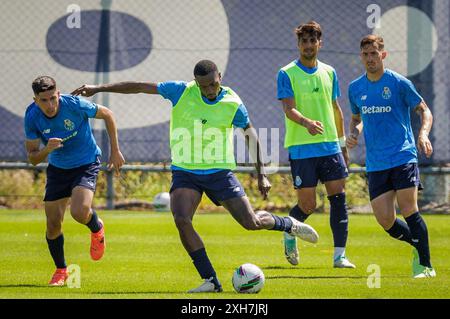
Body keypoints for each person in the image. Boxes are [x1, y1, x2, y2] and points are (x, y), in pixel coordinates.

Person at [71, 59, 319, 293]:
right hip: (185, 172)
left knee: (250, 222)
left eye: (214, 83)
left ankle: (288, 224)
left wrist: (261, 173)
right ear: (195, 83)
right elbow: (138, 87)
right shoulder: (180, 91)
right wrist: (99, 87)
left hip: (219, 172)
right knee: (181, 219)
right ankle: (210, 280)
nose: (210, 89)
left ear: (219, 77)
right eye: (204, 86)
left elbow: (249, 134)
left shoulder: (232, 101)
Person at [347, 35, 435, 278]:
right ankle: (418, 246)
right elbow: (357, 118)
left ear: (383, 55)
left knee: (408, 208)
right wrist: (353, 132)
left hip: (403, 155)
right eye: (365, 55)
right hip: (376, 163)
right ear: (361, 57)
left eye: (374, 54)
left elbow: (423, 109)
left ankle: (425, 266)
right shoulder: (355, 88)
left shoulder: (398, 83)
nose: (370, 59)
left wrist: (423, 134)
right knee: (385, 220)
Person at [24, 76, 125, 286]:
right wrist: (47, 150)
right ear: (35, 100)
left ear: (59, 94)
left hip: (86, 162)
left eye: (53, 98)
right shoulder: (32, 116)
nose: (50, 105)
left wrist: (115, 151)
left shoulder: (74, 104)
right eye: (44, 100)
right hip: (58, 168)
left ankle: (96, 228)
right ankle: (61, 271)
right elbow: (33, 158)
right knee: (52, 225)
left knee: (79, 212)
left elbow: (107, 114)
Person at [277, 21, 355, 268]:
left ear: (319, 43)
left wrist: (342, 146)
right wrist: (307, 122)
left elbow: (336, 109)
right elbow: (289, 110)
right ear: (298, 44)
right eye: (304, 41)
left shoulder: (330, 72)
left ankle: (339, 256)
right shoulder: (286, 73)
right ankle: (289, 231)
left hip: (330, 147)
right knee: (308, 205)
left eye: (313, 41)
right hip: (302, 149)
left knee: (338, 198)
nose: (308, 45)